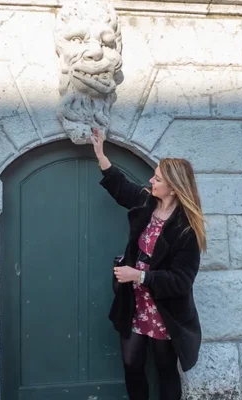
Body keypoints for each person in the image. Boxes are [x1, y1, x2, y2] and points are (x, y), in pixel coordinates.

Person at [90, 128, 206, 400]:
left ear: (174, 189)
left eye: (158, 178)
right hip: (134, 302)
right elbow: (121, 187)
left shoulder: (186, 229)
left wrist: (139, 276)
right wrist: (100, 154)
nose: (151, 180)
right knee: (131, 364)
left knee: (165, 368)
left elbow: (181, 281)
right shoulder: (148, 202)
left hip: (164, 308)